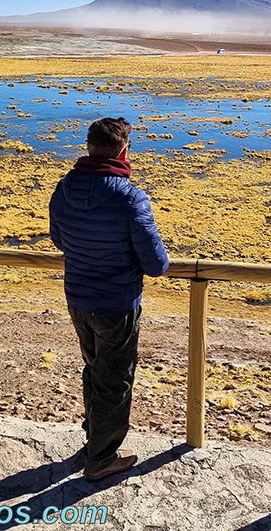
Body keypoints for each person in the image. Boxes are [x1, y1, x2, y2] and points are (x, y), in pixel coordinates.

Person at [49, 117, 169, 481]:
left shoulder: (64, 188)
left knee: (94, 367)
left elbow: (58, 239)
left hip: (78, 297)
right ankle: (101, 458)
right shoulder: (130, 196)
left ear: (88, 147)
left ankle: (93, 439)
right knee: (114, 378)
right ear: (123, 150)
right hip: (117, 303)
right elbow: (156, 263)